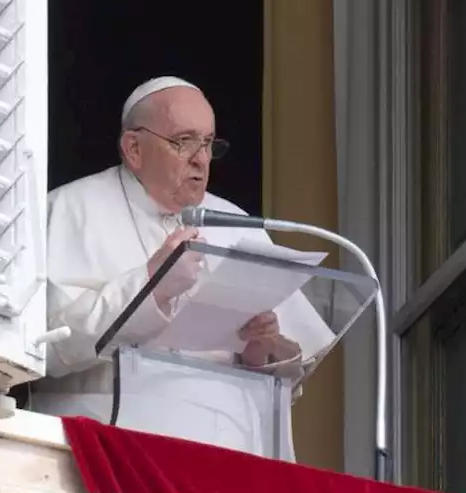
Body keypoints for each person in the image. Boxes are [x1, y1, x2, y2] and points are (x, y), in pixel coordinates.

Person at [32, 77, 333, 461]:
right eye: (184, 141)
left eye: (208, 143)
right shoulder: (70, 209)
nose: (201, 159)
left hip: (233, 452)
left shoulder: (233, 220)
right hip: (113, 450)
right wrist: (150, 286)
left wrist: (264, 348)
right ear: (134, 148)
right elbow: (47, 346)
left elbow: (290, 375)